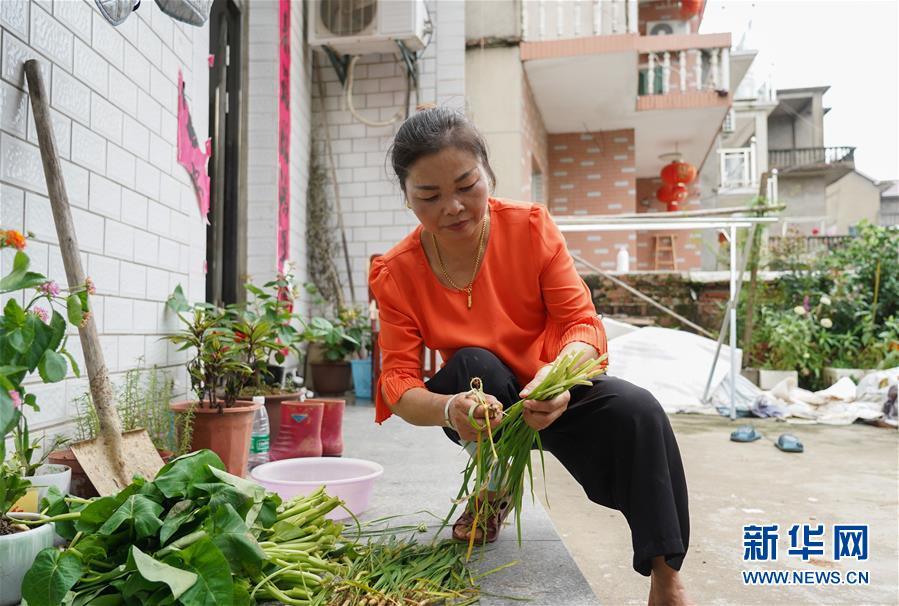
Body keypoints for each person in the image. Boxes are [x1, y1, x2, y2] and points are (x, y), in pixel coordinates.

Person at [369, 106, 692, 606]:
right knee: (473, 363)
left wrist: (560, 380)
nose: (453, 207)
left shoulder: (530, 228)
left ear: (488, 174)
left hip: (550, 385)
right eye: (429, 196)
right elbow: (398, 384)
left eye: (466, 185)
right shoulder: (396, 273)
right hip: (484, 404)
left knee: (639, 409)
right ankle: (495, 489)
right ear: (407, 199)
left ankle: (665, 577)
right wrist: (450, 407)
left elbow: (581, 323)